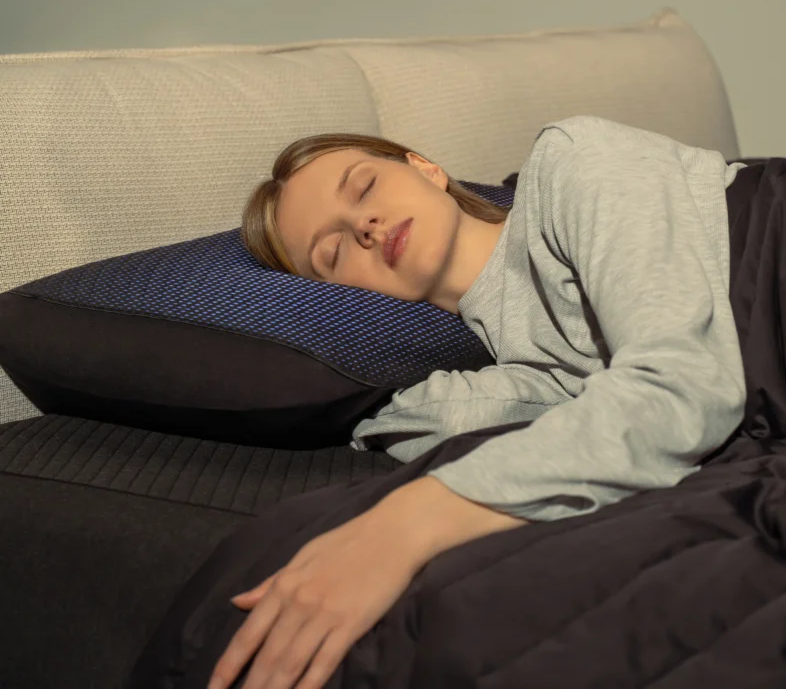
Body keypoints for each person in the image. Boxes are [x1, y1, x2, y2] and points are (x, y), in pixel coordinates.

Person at [214, 115, 748, 689]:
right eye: (334, 250)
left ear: (425, 168)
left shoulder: (572, 161)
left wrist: (403, 527)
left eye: (364, 186)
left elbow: (683, 385)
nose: (364, 224)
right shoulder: (510, 380)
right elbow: (461, 419)